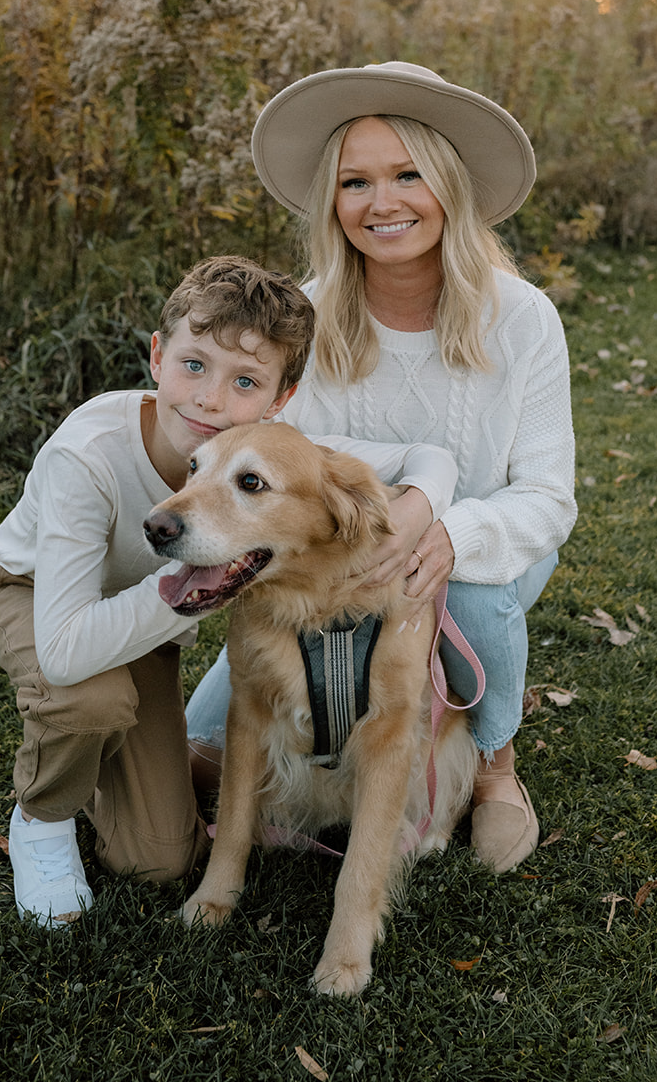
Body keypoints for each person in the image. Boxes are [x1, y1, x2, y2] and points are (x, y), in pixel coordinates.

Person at [0, 254, 457, 926]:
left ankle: (121, 770)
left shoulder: (261, 447)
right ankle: (41, 814)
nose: (210, 400)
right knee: (90, 697)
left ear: (279, 399)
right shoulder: (86, 457)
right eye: (193, 365)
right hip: (33, 596)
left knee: (159, 858)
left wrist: (415, 512)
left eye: (244, 381)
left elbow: (431, 458)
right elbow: (64, 652)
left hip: (139, 613)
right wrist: (192, 586)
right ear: (157, 356)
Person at [187, 65, 576, 874]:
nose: (382, 202)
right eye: (355, 181)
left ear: (448, 186)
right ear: (333, 200)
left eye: (407, 175)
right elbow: (270, 473)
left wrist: (452, 531)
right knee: (204, 736)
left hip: (480, 551)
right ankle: (282, 775)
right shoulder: (303, 314)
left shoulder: (523, 319)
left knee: (464, 587)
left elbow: (545, 497)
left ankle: (496, 770)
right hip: (341, 553)